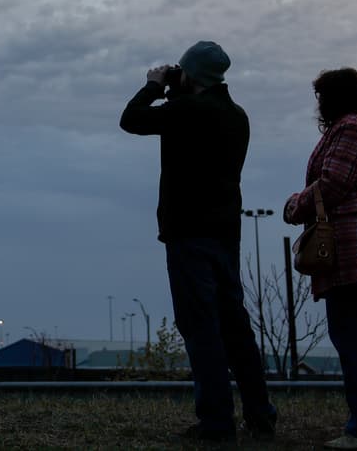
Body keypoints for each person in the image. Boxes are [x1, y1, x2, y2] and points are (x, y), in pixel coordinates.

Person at [119, 41, 276, 442]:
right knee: (236, 329)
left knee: (200, 328)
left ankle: (217, 422)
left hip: (188, 233)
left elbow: (131, 119)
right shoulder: (237, 116)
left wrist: (155, 85)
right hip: (226, 234)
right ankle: (260, 415)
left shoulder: (186, 110)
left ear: (192, 75)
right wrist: (179, 86)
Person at [283, 68, 357, 450]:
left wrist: (295, 205)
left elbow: (332, 183)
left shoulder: (349, 128)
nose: (319, 104)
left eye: (322, 96)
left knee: (352, 335)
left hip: (352, 249)